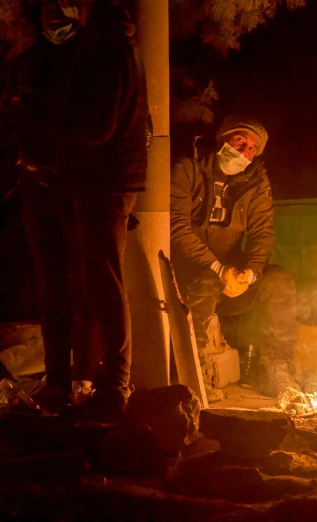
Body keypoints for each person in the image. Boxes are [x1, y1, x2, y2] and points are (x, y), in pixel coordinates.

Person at [0, 0, 148, 421]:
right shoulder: (97, 47)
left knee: (98, 286)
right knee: (70, 285)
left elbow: (95, 126)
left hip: (95, 183)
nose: (59, 9)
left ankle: (107, 384)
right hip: (67, 184)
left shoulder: (100, 48)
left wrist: (32, 116)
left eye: (67, 1)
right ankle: (68, 382)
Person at [170, 115, 300, 399]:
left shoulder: (255, 182)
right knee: (205, 284)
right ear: (222, 139)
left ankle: (276, 367)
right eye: (240, 140)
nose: (244, 151)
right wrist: (217, 269)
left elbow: (262, 233)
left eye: (252, 148)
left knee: (278, 282)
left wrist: (250, 272)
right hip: (190, 277)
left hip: (230, 279)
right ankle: (194, 375)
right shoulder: (187, 170)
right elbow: (177, 229)